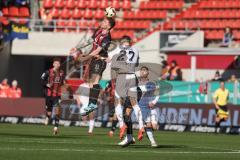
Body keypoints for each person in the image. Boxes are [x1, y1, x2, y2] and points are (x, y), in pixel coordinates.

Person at [71, 17, 116, 115]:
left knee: (95, 81)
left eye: (104, 21)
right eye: (103, 20)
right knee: (91, 83)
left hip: (100, 60)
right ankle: (91, 104)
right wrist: (78, 49)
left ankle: (93, 104)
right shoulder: (99, 31)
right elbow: (91, 43)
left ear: (108, 26)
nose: (102, 22)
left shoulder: (107, 37)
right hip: (93, 60)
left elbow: (97, 51)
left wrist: (85, 57)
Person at [111, 35, 143, 147]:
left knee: (118, 102)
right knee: (130, 111)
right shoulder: (135, 50)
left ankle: (122, 126)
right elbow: (137, 64)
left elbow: (114, 65)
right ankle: (134, 133)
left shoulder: (119, 50)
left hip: (123, 78)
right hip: (133, 79)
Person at [41, 58, 65, 135]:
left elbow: (62, 83)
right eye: (56, 63)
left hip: (57, 95)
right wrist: (47, 84)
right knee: (49, 111)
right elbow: (41, 80)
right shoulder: (48, 72)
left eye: (59, 64)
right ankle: (48, 117)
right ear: (53, 64)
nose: (57, 65)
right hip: (48, 95)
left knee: (57, 110)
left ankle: (56, 128)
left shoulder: (61, 72)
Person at [138, 66, 159, 147]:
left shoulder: (152, 83)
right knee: (149, 124)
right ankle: (153, 142)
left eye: (144, 71)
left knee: (155, 127)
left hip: (152, 107)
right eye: (141, 71)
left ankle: (146, 128)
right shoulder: (136, 83)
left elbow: (158, 94)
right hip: (143, 107)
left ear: (148, 72)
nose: (142, 72)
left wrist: (153, 102)